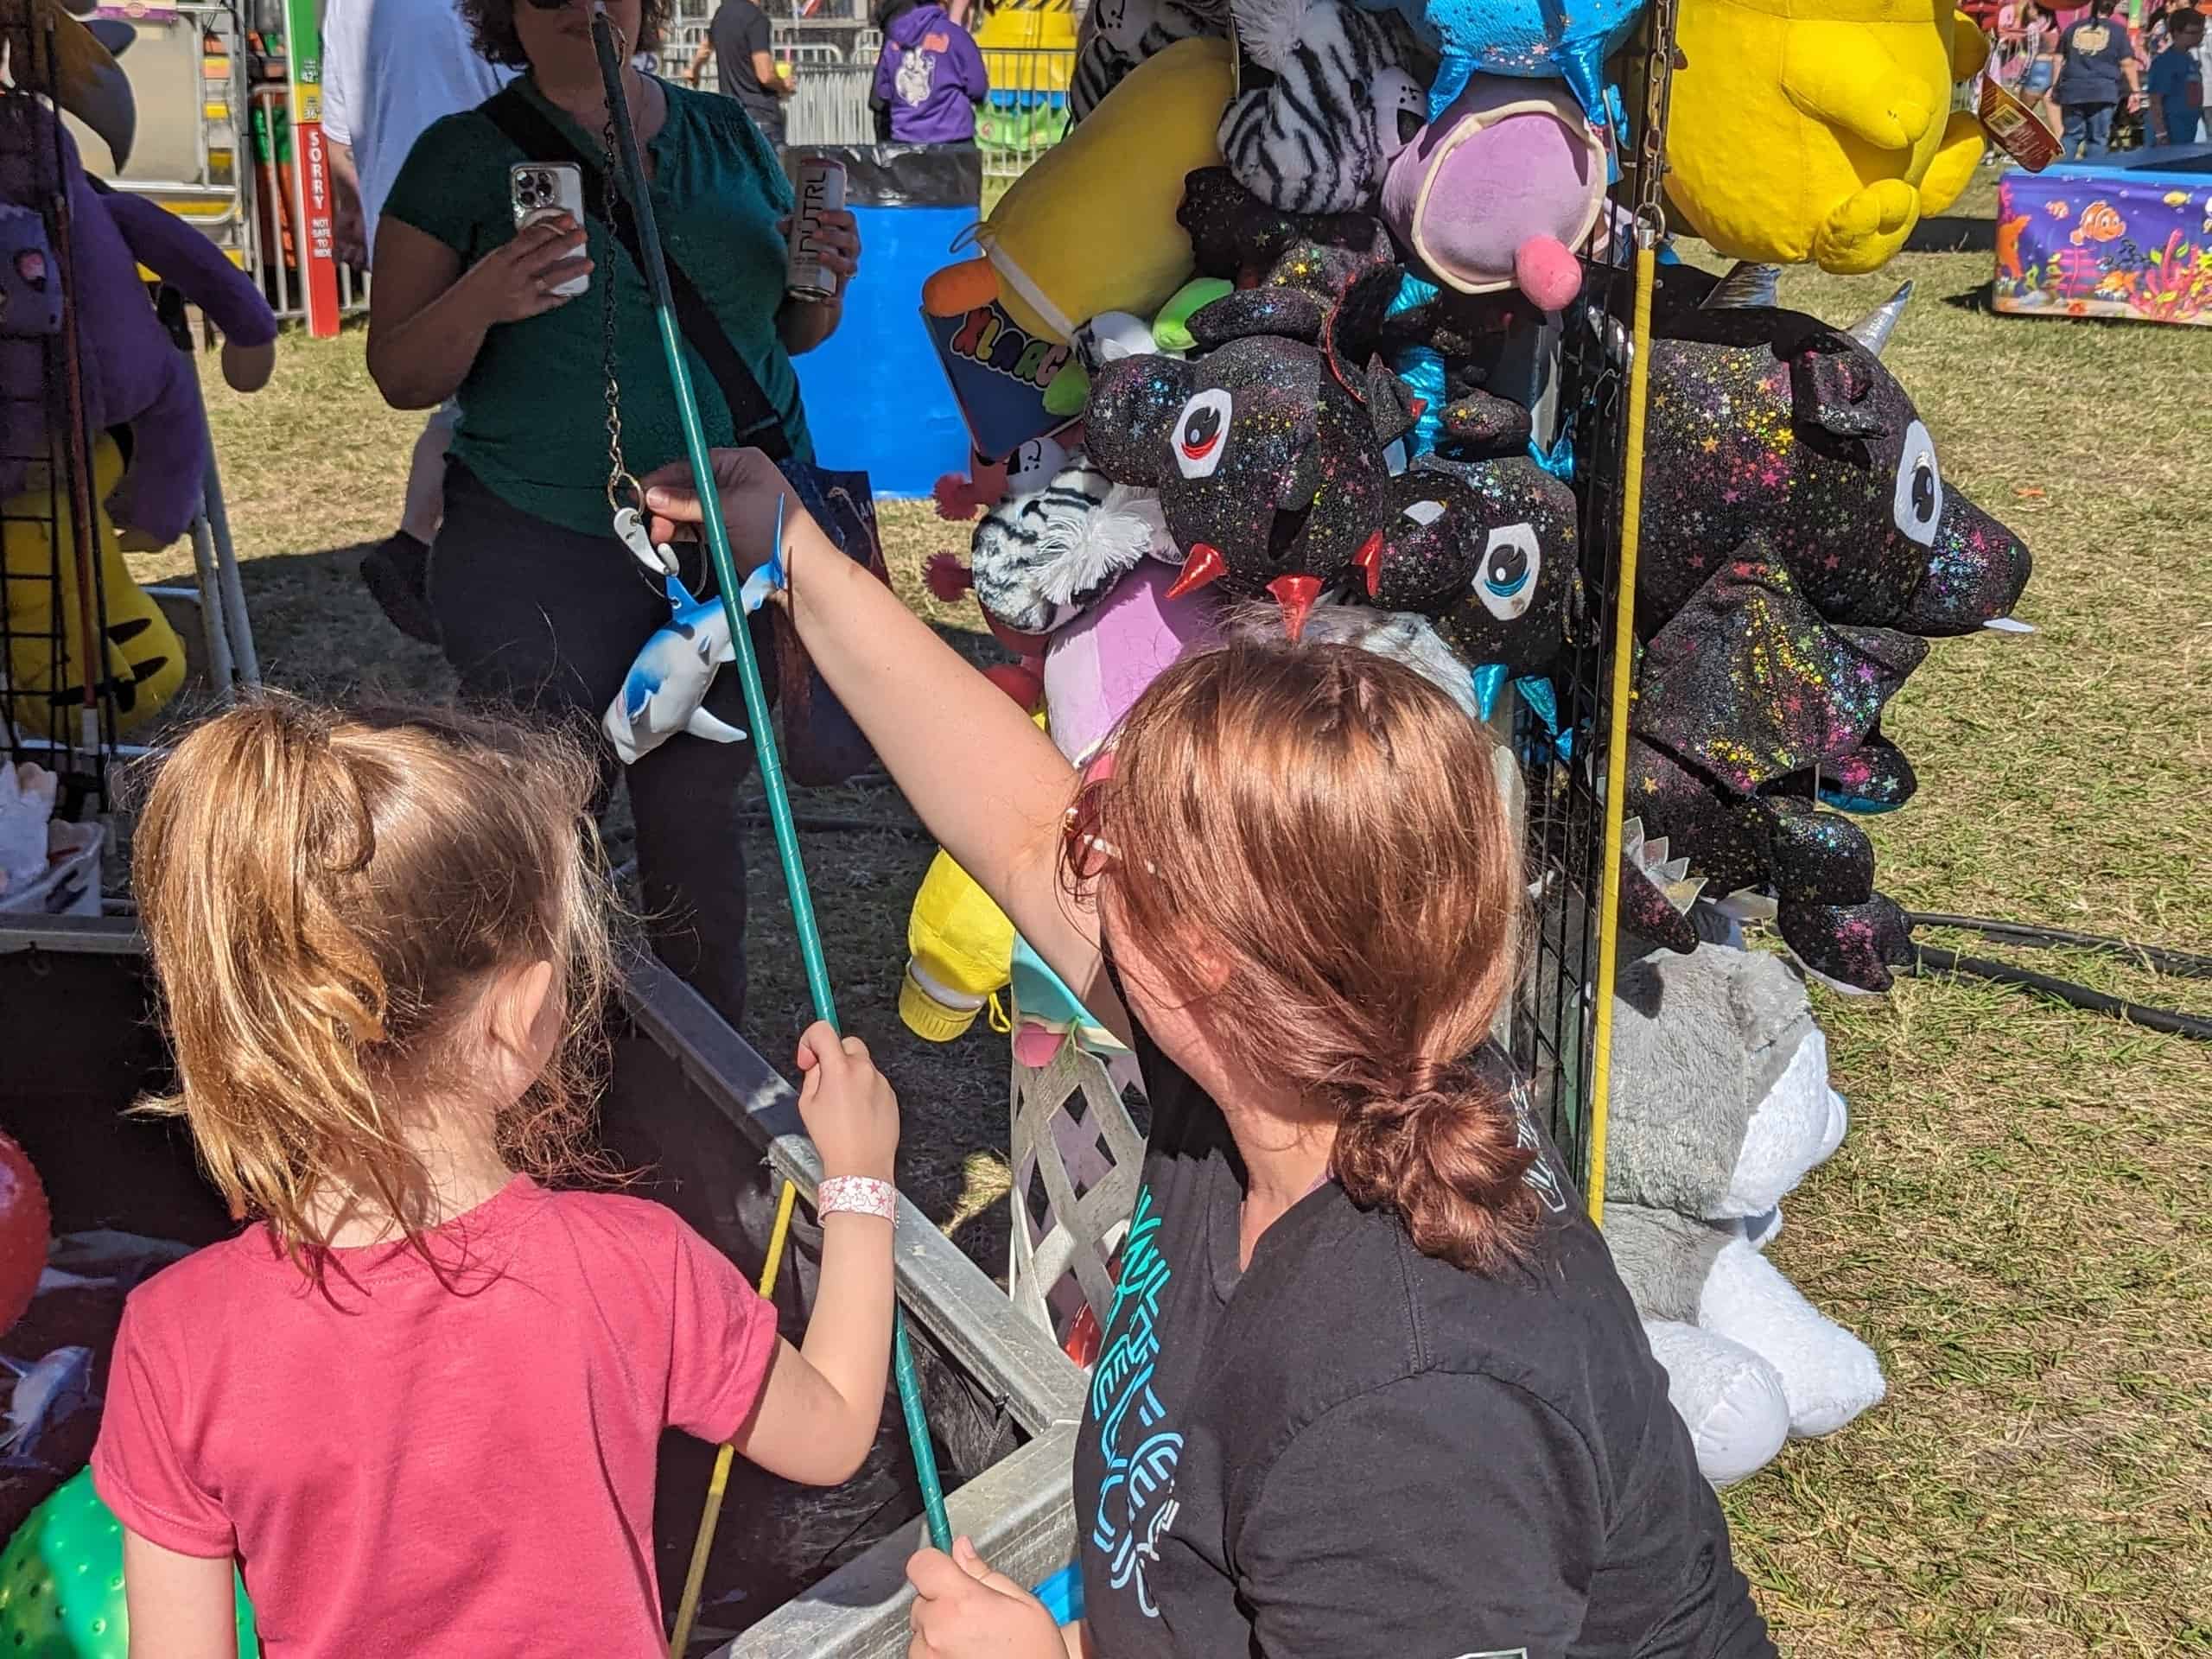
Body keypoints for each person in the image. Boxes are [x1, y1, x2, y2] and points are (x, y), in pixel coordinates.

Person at [644, 450, 1778, 1659]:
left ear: (1203, 961)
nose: (1069, 843)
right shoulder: (1323, 1054)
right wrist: (795, 553)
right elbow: (1012, 826)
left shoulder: (1408, 1416)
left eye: (1102, 828)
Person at [90, 694, 902, 1656]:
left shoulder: (177, 1336)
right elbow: (835, 1431)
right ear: (523, 1013)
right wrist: (858, 1183)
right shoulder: (633, 1265)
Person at [365, 0, 861, 1030]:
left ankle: (705, 1086)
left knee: (694, 830)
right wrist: (486, 296)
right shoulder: (460, 157)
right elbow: (400, 373)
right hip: (539, 544)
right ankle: (542, 1075)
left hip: (718, 549)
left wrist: (829, 283)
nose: (583, 11)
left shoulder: (724, 136)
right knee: (545, 831)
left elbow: (788, 333)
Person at [321, 0, 514, 645]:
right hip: (488, 213)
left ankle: (417, 545)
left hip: (401, 220)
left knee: (457, 394)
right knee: (483, 398)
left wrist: (359, 210)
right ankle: (420, 547)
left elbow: (337, 130)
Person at [870, 0, 988, 145]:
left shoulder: (893, 39)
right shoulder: (957, 36)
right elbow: (978, 88)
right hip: (954, 140)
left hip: (906, 140)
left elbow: (884, 91)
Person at [689, 0, 794, 145]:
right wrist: (784, 85)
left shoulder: (721, 14)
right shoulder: (756, 18)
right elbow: (765, 75)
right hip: (761, 116)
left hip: (731, 116)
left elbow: (705, 49)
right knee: (769, 166)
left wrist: (694, 71)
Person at [2056, 0, 2144, 156]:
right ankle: (2092, 176)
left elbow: (2058, 59)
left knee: (2070, 136)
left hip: (2073, 89)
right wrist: (2135, 91)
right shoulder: (2117, 31)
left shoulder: (2072, 28)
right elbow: (2127, 63)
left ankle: (2060, 175)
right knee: (2097, 139)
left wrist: (2054, 85)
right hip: (2103, 90)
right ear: (2113, 8)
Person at [2147, 5, 2206, 141]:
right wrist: (2161, 134)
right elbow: (2155, 100)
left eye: (2201, 32)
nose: (2199, 37)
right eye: (2193, 32)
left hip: (2188, 130)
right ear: (2176, 33)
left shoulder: (2190, 60)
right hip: (2170, 134)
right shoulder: (2165, 62)